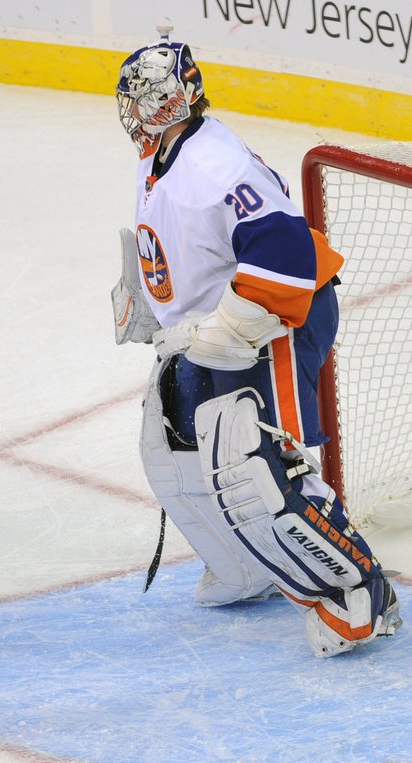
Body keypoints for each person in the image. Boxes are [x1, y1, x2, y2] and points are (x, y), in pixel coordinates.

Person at [111, 27, 402, 657]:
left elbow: (288, 254)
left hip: (271, 320)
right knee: (171, 449)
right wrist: (144, 289)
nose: (133, 113)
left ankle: (357, 594)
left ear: (173, 100)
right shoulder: (159, 152)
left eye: (144, 99)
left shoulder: (219, 163)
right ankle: (246, 569)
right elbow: (168, 231)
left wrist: (227, 329)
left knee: (258, 467)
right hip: (211, 323)